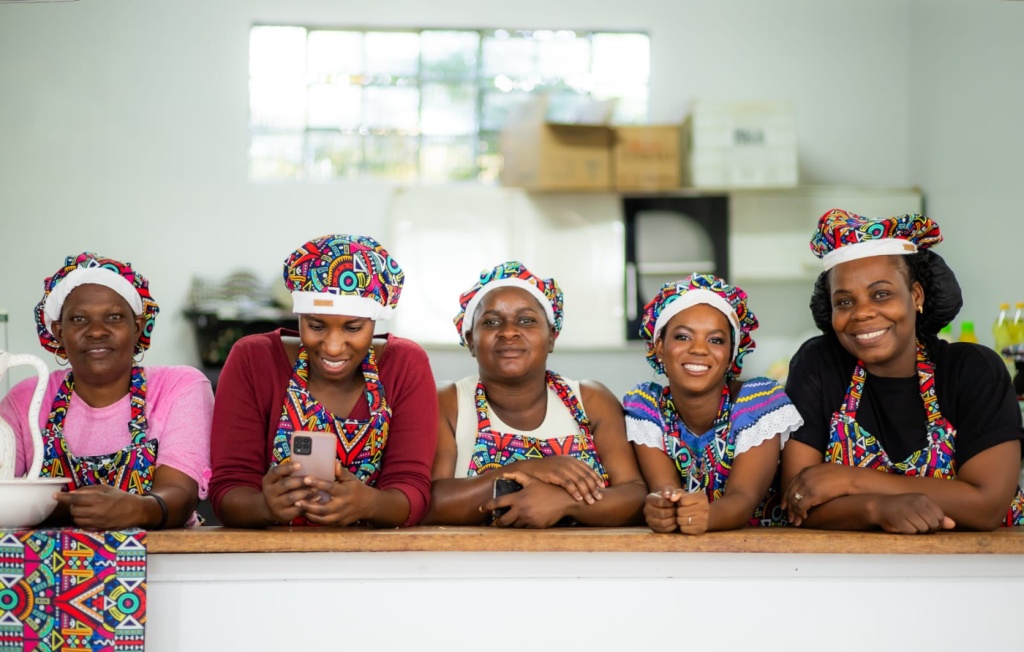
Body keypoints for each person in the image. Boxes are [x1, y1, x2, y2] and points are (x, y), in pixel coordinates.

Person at [781, 209, 1024, 533]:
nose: (862, 313)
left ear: (916, 295)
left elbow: (986, 505)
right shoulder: (819, 365)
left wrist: (852, 480)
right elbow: (799, 501)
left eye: (881, 294)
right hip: (847, 571)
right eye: (844, 302)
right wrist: (877, 508)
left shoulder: (972, 370)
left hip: (982, 571)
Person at [208, 234, 436, 528]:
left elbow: (413, 490)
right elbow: (228, 488)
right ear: (299, 316)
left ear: (375, 322)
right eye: (316, 325)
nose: (332, 346)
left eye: (353, 328)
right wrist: (263, 506)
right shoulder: (253, 360)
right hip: (270, 561)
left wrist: (368, 503)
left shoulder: (405, 365)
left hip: (374, 563)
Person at [424, 261, 646, 528]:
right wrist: (527, 469)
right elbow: (429, 502)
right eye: (491, 322)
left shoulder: (590, 400)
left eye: (526, 320)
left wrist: (566, 502)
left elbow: (634, 495)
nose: (508, 332)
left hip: (584, 566)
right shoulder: (449, 401)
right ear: (471, 340)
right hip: (476, 567)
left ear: (552, 336)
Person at [0, 252, 214, 529]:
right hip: (47, 566)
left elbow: (181, 494)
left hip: (165, 562)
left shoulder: (180, 387)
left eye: (113, 317)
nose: (97, 331)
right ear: (58, 331)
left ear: (137, 327)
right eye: (78, 319)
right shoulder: (25, 399)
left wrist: (140, 509)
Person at [623, 274, 803, 534]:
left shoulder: (758, 403)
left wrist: (703, 515)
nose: (699, 349)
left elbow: (742, 500)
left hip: (764, 557)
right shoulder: (648, 408)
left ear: (732, 353)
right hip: (682, 557)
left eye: (716, 340)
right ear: (659, 347)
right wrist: (663, 508)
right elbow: (665, 490)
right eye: (683, 337)